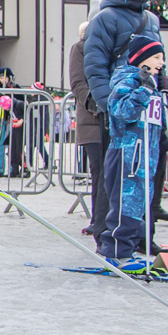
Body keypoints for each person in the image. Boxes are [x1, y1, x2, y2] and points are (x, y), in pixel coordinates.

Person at [85, 0, 168, 253]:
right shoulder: (106, 17)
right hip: (121, 104)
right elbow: (95, 64)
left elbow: (157, 59)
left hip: (149, 108)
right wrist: (105, 103)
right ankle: (107, 235)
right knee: (117, 176)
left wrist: (163, 86)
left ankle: (142, 236)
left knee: (147, 174)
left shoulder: (151, 19)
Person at [101, 36, 168, 270]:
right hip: (127, 153)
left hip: (148, 154)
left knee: (139, 206)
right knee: (125, 203)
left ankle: (130, 249)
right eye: (156, 57)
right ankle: (115, 252)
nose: (160, 63)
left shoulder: (156, 86)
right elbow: (122, 111)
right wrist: (144, 89)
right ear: (141, 58)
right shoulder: (126, 80)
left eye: (162, 58)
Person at [69, 20, 103, 236]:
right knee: (99, 170)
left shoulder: (106, 49)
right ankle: (98, 219)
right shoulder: (79, 49)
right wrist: (96, 104)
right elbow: (77, 83)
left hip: (110, 119)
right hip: (91, 120)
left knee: (109, 172)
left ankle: (106, 217)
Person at [0, 68, 24, 177]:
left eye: (5, 78)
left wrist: (10, 99)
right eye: (1, 78)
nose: (3, 80)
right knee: (0, 144)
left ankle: (13, 168)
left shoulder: (15, 88)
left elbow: (22, 101)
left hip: (12, 119)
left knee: (11, 144)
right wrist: (0, 99)